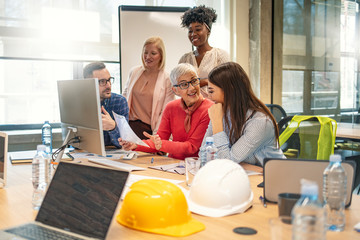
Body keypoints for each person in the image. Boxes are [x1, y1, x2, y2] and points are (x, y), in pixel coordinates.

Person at [119, 63, 213, 160]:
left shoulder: (210, 109)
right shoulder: (171, 107)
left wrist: (160, 144)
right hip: (172, 163)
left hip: (197, 166)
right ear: (175, 90)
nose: (192, 88)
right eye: (184, 84)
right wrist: (135, 145)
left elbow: (192, 147)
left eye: (194, 81)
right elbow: (159, 140)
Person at [200, 62, 285, 166]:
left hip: (273, 177)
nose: (209, 96)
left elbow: (226, 162)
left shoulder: (260, 122)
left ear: (230, 90)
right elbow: (203, 155)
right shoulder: (222, 112)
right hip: (244, 173)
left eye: (211, 91)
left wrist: (217, 123)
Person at [122, 37, 175, 139]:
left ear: (161, 56)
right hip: (129, 127)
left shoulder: (167, 78)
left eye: (153, 53)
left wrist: (156, 136)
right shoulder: (134, 72)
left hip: (149, 131)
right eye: (145, 52)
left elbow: (165, 112)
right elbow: (124, 98)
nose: (147, 56)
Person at [179, 5, 230, 99]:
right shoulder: (184, 59)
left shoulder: (220, 55)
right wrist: (206, 81)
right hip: (190, 110)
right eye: (190, 31)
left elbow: (226, 85)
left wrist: (195, 83)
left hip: (214, 108)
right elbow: (179, 87)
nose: (193, 34)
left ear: (208, 31)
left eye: (198, 29)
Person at [83, 62, 129, 148]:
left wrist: (113, 127)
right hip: (85, 153)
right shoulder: (81, 103)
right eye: (102, 82)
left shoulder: (119, 101)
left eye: (109, 80)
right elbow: (74, 142)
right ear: (89, 84)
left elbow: (126, 142)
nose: (108, 85)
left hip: (113, 154)